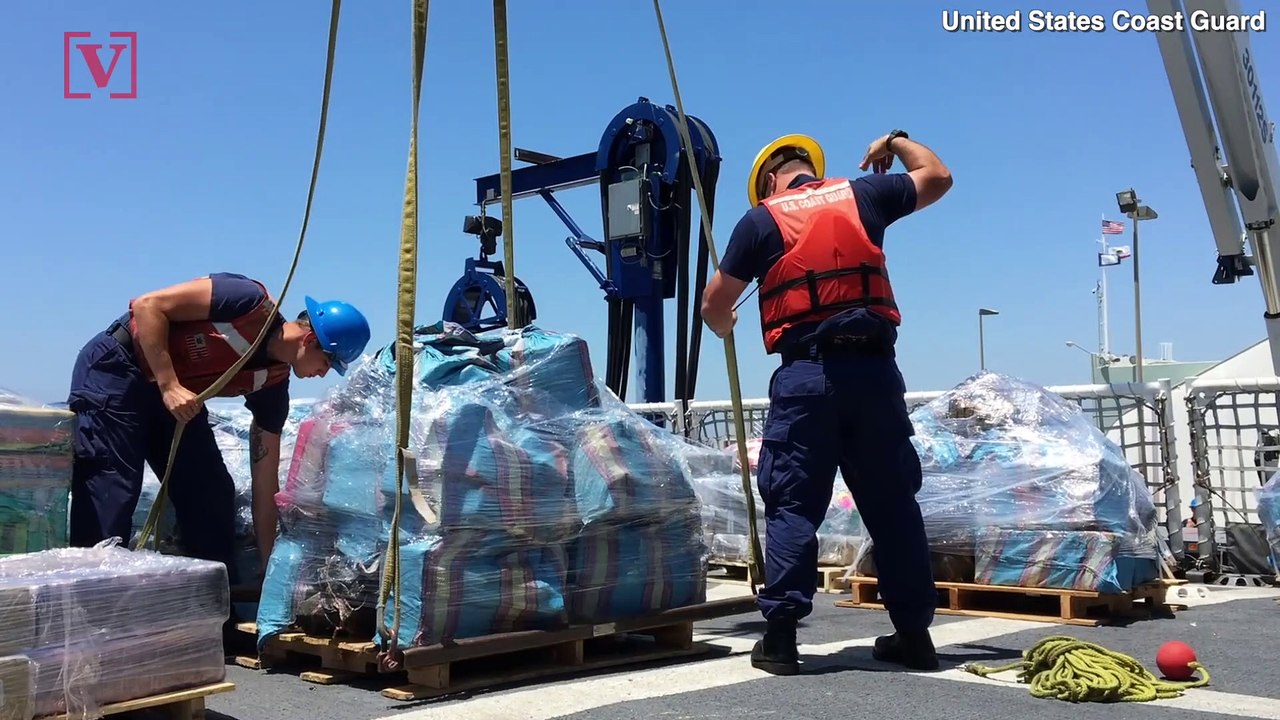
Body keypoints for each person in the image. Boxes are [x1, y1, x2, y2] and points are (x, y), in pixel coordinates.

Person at [701, 131, 954, 675]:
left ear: (768, 181)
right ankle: (915, 638)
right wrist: (896, 141)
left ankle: (782, 641)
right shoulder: (863, 195)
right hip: (875, 374)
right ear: (810, 167)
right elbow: (938, 176)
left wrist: (727, 324)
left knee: (794, 505)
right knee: (892, 507)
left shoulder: (761, 221)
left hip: (807, 378)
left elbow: (714, 303)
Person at [66, 272, 372, 588]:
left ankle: (213, 614)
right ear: (310, 341)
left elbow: (265, 486)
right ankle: (88, 609)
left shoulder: (273, 387)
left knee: (210, 492)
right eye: (327, 363)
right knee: (112, 491)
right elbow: (147, 306)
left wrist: (268, 564)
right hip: (118, 369)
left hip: (177, 399)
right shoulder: (244, 300)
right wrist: (169, 385)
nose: (323, 375)